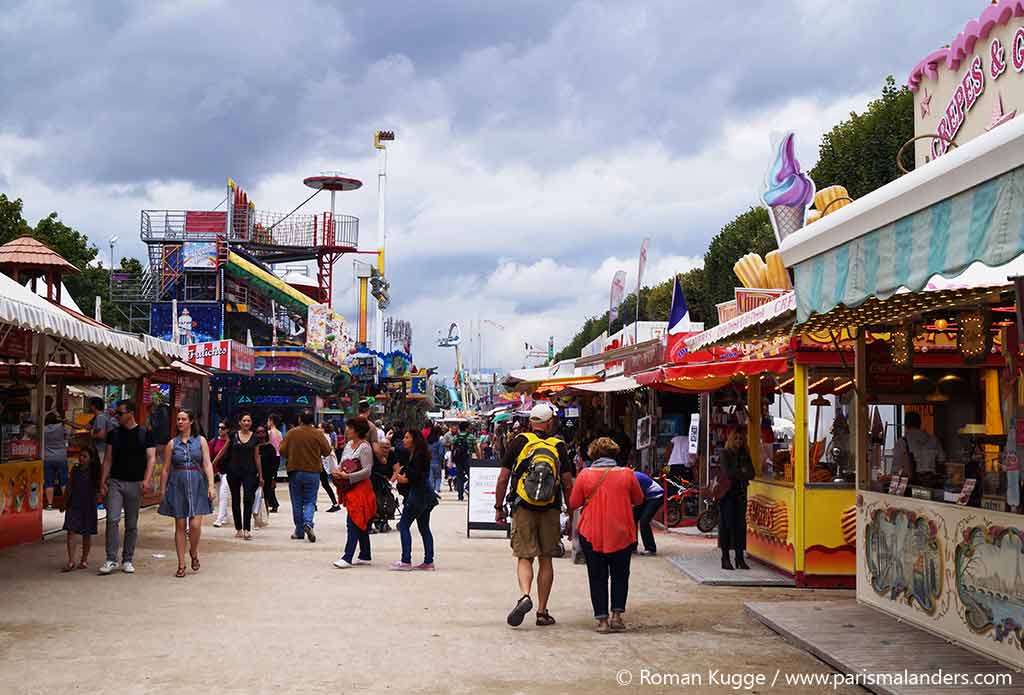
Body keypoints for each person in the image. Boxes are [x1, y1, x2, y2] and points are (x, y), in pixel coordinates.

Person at [494, 403, 575, 628]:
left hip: (523, 507)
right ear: (550, 423)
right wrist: (571, 513)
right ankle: (542, 611)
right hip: (550, 508)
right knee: (546, 558)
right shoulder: (558, 445)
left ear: (531, 422)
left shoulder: (519, 442)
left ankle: (525, 595)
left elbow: (502, 478)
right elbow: (568, 483)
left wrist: (498, 507)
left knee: (524, 556)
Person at [569, 438, 643, 633]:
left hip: (591, 532)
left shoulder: (585, 475)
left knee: (597, 576)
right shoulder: (627, 474)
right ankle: (617, 616)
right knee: (620, 574)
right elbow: (639, 498)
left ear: (593, 454)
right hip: (621, 532)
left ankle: (602, 620)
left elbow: (574, 502)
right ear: (614, 453)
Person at [99, 400, 156, 575]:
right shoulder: (114, 434)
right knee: (112, 519)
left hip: (135, 483)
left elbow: (151, 458)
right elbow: (108, 459)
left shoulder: (144, 434)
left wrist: (146, 480)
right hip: (115, 481)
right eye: (116, 413)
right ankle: (110, 558)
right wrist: (102, 481)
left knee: (131, 524)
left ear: (130, 413)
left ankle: (128, 559)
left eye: (120, 413)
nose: (117, 416)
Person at [158, 410, 216, 577]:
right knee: (180, 525)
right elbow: (166, 469)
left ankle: (194, 551)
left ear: (191, 421)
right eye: (178, 419)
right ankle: (181, 564)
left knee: (196, 525)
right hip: (178, 485)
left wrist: (211, 486)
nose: (180, 422)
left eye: (183, 419)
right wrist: (162, 490)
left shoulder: (201, 441)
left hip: (198, 483)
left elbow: (207, 464)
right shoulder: (172, 444)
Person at [280, 410, 331, 542]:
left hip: (295, 471)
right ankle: (308, 522)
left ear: (300, 420)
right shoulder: (318, 434)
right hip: (313, 471)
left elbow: (282, 451)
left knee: (297, 501)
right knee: (310, 500)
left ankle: (299, 531)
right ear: (312, 421)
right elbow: (327, 451)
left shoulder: (292, 433)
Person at [332, 417, 377, 568]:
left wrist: (349, 476)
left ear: (357, 430)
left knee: (353, 521)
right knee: (359, 521)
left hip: (361, 489)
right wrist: (337, 471)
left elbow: (367, 471)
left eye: (349, 428)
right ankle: (365, 554)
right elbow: (342, 463)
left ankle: (347, 557)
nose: (346, 430)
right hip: (349, 487)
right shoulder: (348, 445)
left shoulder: (365, 447)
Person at [390, 428, 437, 571]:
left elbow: (415, 477)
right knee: (424, 528)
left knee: (404, 525)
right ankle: (428, 561)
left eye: (407, 437)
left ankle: (406, 560)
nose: (404, 440)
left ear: (414, 440)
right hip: (426, 495)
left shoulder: (417, 456)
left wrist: (403, 479)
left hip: (418, 495)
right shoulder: (419, 454)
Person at [212, 412, 262, 540]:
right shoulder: (233, 435)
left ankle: (247, 529)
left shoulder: (255, 438)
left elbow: (257, 457)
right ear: (239, 422)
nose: (246, 423)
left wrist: (261, 475)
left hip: (249, 472)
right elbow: (224, 450)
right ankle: (239, 529)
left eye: (248, 421)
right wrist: (213, 463)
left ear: (251, 423)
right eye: (244, 420)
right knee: (235, 499)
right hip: (233, 471)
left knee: (248, 498)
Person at [718, 427, 755, 570]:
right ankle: (725, 558)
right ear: (731, 439)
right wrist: (742, 472)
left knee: (740, 527)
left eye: (741, 439)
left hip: (740, 494)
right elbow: (728, 472)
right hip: (727, 495)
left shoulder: (745, 454)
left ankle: (739, 558)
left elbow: (752, 473)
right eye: (736, 439)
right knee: (726, 526)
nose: (739, 442)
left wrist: (740, 472)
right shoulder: (725, 453)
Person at [61, 444, 101, 572]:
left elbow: (100, 489)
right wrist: (64, 501)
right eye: (81, 456)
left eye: (85, 456)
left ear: (91, 459)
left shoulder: (95, 473)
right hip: (74, 504)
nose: (81, 459)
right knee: (70, 531)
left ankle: (84, 559)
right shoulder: (75, 469)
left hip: (88, 505)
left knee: (86, 533)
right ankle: (71, 560)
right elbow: (70, 486)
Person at [893, 410, 945, 482]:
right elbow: (942, 461)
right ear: (920, 423)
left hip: (912, 484)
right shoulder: (934, 440)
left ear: (905, 425)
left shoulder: (901, 442)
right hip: (932, 483)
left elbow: (896, 470)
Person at [632, 468, 664, 555]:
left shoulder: (635, 478)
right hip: (646, 497)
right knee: (632, 519)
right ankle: (632, 546)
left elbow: (638, 496)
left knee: (644, 521)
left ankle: (651, 548)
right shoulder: (631, 476)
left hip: (656, 496)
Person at [43, 412, 68, 511]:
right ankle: (66, 502)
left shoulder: (43, 430)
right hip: (61, 457)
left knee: (49, 482)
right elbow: (67, 435)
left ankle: (49, 504)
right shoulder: (61, 427)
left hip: (48, 458)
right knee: (64, 481)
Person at [448, 422, 478, 502]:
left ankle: (460, 496)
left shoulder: (455, 437)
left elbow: (452, 449)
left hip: (458, 460)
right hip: (468, 459)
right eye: (469, 427)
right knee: (471, 476)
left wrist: (452, 459)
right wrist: (479, 458)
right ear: (466, 428)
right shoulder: (471, 437)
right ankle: (469, 489)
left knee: (459, 477)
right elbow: (476, 449)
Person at [255, 425, 280, 513]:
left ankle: (268, 509)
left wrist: (274, 478)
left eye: (262, 432)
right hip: (255, 474)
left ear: (266, 434)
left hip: (268, 475)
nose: (260, 435)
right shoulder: (254, 447)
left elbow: (274, 464)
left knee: (268, 492)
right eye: (258, 432)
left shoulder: (270, 448)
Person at [317, 423, 341, 513]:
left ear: (323, 429)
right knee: (323, 484)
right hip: (324, 463)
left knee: (323, 484)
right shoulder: (326, 436)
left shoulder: (324, 437)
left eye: (319, 427)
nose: (318, 429)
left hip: (323, 463)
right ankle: (335, 503)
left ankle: (335, 504)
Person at [211, 421, 232, 526]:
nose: (220, 430)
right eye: (219, 428)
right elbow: (209, 457)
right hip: (217, 471)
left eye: (223, 428)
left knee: (223, 493)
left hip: (228, 472)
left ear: (227, 429)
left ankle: (219, 519)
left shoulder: (231, 442)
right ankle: (225, 516)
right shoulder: (213, 442)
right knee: (220, 495)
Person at [88, 397, 113, 465]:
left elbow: (101, 435)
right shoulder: (104, 415)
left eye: (90, 405)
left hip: (101, 449)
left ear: (93, 406)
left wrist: (91, 433)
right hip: (104, 449)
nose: (89, 407)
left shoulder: (100, 417)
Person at [427, 426, 445, 495]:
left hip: (429, 462)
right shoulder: (439, 443)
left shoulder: (427, 442)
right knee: (438, 477)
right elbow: (441, 453)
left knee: (430, 477)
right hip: (437, 462)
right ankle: (436, 490)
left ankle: (431, 490)